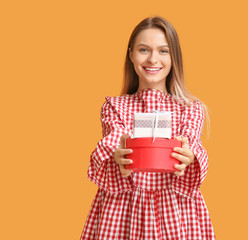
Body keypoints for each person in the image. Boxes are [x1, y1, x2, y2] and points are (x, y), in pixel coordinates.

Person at [80, 16, 215, 240]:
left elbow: (192, 142)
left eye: (163, 51)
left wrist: (189, 158)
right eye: (144, 50)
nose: (153, 59)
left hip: (178, 211)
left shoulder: (190, 109)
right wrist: (118, 159)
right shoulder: (114, 106)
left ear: (174, 58)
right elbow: (113, 140)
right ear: (131, 53)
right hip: (122, 211)